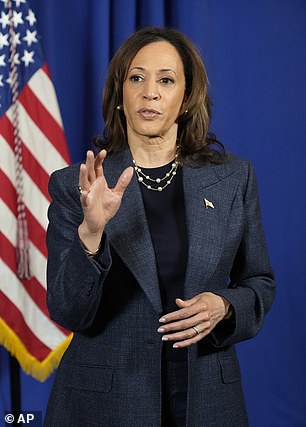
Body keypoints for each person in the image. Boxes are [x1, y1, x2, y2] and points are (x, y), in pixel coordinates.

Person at [44, 27, 275, 427]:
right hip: (104, 404)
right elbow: (69, 311)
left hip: (207, 398)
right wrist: (92, 233)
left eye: (166, 80)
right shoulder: (75, 184)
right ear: (120, 95)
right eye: (137, 77)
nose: (150, 92)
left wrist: (224, 305)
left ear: (186, 98)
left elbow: (259, 282)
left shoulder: (235, 178)